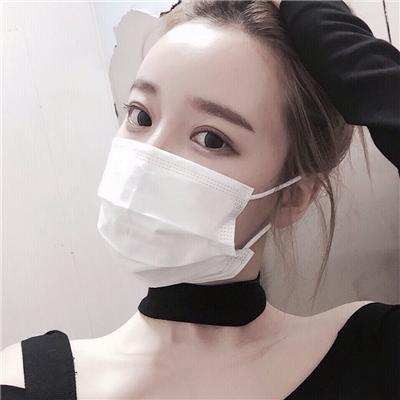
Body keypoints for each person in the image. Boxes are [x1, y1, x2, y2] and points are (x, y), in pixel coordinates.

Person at [1, 1, 399, 399]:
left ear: (293, 196)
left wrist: (312, 13)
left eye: (211, 139)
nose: (150, 155)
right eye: (140, 115)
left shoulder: (371, 355)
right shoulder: (29, 379)